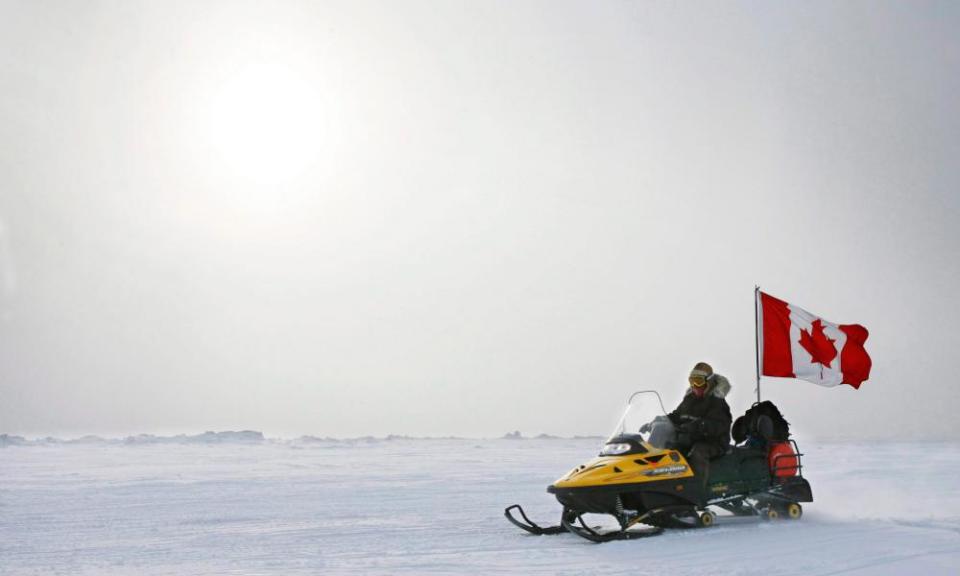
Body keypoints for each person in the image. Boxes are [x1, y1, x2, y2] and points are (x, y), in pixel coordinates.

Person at [667, 362, 732, 497]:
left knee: (698, 452)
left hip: (714, 442)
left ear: (708, 382)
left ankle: (697, 494)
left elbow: (719, 425)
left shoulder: (717, 401)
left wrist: (698, 425)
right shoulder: (689, 398)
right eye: (692, 381)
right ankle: (671, 490)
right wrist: (661, 420)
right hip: (692, 438)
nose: (695, 386)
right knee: (670, 450)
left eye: (698, 381)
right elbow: (678, 415)